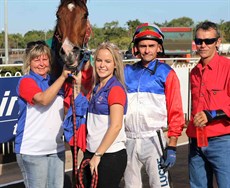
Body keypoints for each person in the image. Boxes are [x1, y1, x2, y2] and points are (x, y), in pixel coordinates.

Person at [123, 23, 185, 188]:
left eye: (151, 46)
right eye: (142, 46)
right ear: (136, 48)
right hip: (128, 138)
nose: (147, 50)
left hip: (154, 139)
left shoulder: (167, 73)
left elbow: (176, 111)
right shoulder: (126, 72)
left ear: (159, 47)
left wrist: (172, 146)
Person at [69, 42, 127, 188]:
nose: (102, 65)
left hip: (109, 155)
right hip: (92, 152)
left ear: (115, 65)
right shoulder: (96, 87)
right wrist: (77, 85)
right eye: (99, 60)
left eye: (107, 61)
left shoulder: (115, 89)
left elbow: (116, 126)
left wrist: (98, 155)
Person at [14, 40, 71, 188]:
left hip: (56, 149)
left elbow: (65, 111)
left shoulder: (55, 81)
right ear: (29, 62)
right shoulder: (26, 81)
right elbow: (43, 100)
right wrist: (63, 77)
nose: (41, 63)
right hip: (32, 151)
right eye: (36, 59)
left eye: (45, 59)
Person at [186, 21, 230, 188]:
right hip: (196, 141)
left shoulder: (228, 68)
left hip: (222, 142)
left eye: (208, 41)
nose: (203, 45)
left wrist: (212, 114)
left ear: (217, 42)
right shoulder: (194, 72)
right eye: (199, 41)